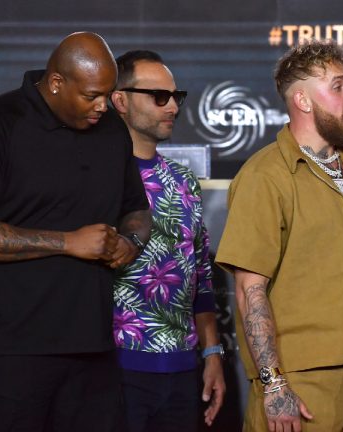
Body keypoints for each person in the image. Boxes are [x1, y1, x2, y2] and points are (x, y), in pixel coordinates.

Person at [215, 40, 343, 431]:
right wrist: (275, 385)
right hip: (300, 384)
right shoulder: (264, 176)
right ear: (303, 100)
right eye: (338, 86)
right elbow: (249, 290)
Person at [0, 32, 151, 431]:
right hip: (10, 351)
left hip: (94, 349)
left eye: (108, 95)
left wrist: (131, 242)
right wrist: (68, 243)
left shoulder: (111, 130)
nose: (103, 106)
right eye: (92, 95)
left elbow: (137, 209)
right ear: (57, 82)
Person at [110, 50, 225, 431]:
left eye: (176, 96)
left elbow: (200, 275)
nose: (173, 106)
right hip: (115, 368)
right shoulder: (96, 177)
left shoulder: (183, 180)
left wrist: (211, 352)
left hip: (182, 371)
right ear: (120, 100)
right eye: (159, 97)